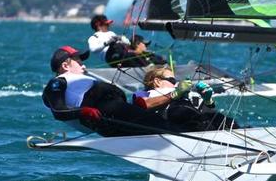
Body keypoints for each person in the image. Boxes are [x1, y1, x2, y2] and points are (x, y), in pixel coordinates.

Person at [41, 46, 212, 136]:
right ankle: (201, 138)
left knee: (158, 121)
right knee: (158, 124)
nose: (83, 65)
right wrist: (84, 111)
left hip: (116, 107)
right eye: (78, 61)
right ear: (65, 65)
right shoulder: (57, 82)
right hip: (105, 110)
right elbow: (58, 110)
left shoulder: (79, 78)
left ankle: (201, 130)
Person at [135, 66, 237, 132]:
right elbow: (144, 104)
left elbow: (208, 109)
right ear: (157, 81)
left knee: (221, 119)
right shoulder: (144, 94)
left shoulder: (185, 93)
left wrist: (207, 100)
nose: (175, 83)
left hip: (196, 118)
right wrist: (175, 94)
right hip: (173, 121)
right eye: (172, 80)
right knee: (185, 113)